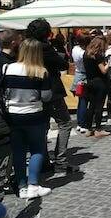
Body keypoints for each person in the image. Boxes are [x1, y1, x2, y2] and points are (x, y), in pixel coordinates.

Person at [0, 38, 53, 199]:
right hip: (34, 115)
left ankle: (21, 186)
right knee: (37, 149)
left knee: (18, 151)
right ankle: (33, 185)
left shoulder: (7, 68)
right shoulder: (41, 71)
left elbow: (2, 91)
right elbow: (46, 97)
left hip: (13, 115)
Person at [26, 19, 77, 174]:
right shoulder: (44, 47)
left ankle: (42, 161)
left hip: (32, 91)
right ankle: (60, 161)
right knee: (65, 123)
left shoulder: (25, 46)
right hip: (51, 90)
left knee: (42, 127)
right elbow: (62, 64)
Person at [83, 36, 111, 138]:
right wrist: (108, 64)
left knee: (91, 106)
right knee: (99, 106)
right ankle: (98, 129)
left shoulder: (86, 54)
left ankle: (89, 129)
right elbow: (103, 70)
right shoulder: (97, 55)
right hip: (100, 83)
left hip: (89, 82)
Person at [71, 32, 91, 134]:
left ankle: (79, 123)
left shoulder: (75, 49)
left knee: (81, 101)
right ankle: (83, 124)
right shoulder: (83, 53)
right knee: (84, 101)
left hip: (78, 74)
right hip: (83, 75)